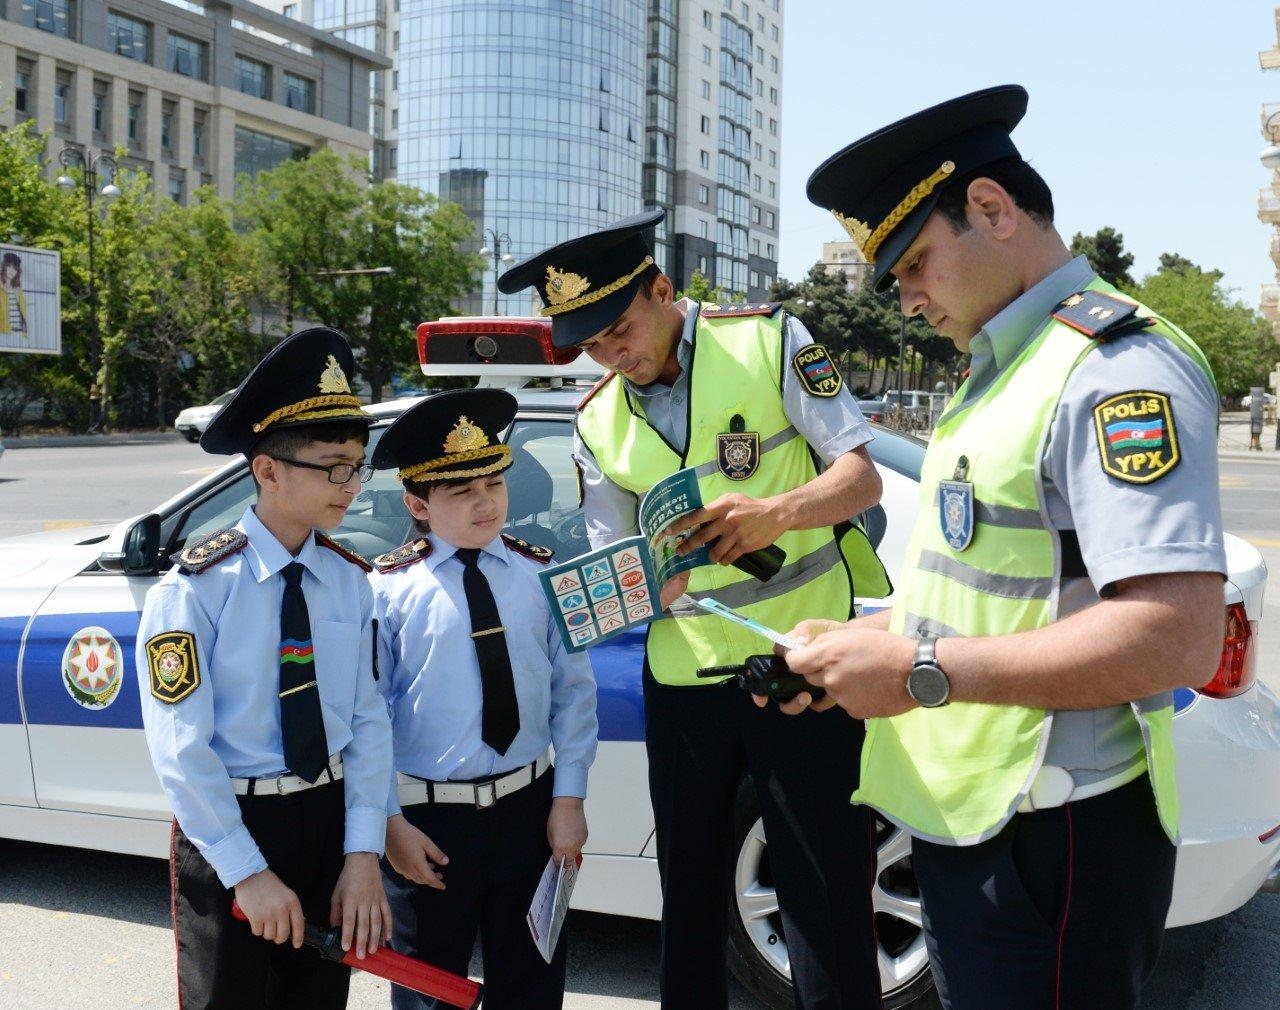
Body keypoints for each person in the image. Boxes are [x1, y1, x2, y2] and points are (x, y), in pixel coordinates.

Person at [783, 85, 1227, 1010]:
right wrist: (867, 639)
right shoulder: (1003, 368)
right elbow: (982, 578)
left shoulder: (1114, 371)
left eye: (914, 263)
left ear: (991, 208)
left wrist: (919, 670)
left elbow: (1175, 637)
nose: (905, 299)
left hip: (1055, 839)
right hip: (977, 820)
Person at [498, 211, 890, 1010]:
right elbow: (615, 554)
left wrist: (778, 512)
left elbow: (862, 478)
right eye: (592, 344)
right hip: (682, 681)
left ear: (663, 289)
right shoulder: (594, 420)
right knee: (688, 902)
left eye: (620, 329)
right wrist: (647, 579)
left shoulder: (769, 340)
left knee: (825, 895)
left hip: (799, 665)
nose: (613, 354)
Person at [135, 327, 394, 1009]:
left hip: (326, 822)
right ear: (268, 470)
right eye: (333, 465)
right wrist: (247, 873)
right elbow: (182, 750)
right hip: (232, 835)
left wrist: (362, 853)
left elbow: (367, 720)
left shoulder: (348, 581)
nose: (352, 485)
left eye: (358, 464)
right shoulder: (194, 591)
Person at [369, 388, 598, 1010]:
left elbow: (573, 694)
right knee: (429, 989)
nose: (485, 503)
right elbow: (368, 721)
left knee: (531, 983)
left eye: (493, 485)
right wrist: (389, 825)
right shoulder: (387, 592)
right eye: (461, 492)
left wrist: (568, 799)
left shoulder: (539, 575)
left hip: (528, 811)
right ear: (418, 503)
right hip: (428, 825)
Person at [0, 251, 28, 337]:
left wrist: (25, 334)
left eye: (15, 268)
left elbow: (23, 316)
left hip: (20, 337)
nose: (12, 271)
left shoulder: (19, 291)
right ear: (4, 267)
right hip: (4, 335)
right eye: (9, 266)